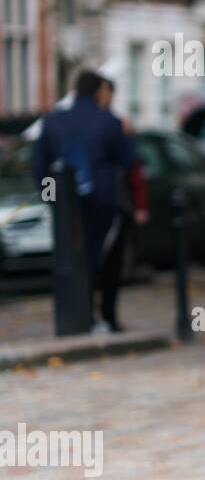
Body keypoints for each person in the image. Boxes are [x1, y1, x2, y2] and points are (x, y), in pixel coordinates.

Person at [33, 69, 138, 329]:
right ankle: (97, 317)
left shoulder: (54, 121)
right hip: (101, 201)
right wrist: (130, 135)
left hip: (68, 204)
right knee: (98, 260)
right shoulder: (109, 121)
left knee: (71, 260)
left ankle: (80, 316)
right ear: (98, 91)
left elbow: (40, 168)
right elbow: (128, 159)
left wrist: (53, 201)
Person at [96, 77, 148, 332]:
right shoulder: (114, 127)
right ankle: (103, 315)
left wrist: (139, 204)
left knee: (111, 265)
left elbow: (133, 169)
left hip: (115, 204)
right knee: (105, 264)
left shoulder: (117, 126)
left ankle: (106, 315)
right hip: (107, 205)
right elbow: (132, 166)